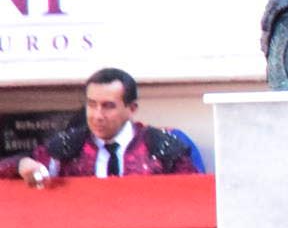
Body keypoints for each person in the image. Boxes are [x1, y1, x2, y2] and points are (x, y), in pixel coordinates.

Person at [14, 70, 202, 185]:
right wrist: (22, 165)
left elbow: (191, 197)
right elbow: (12, 169)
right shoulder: (66, 147)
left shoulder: (163, 147)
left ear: (132, 109)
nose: (97, 115)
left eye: (108, 106)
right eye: (92, 104)